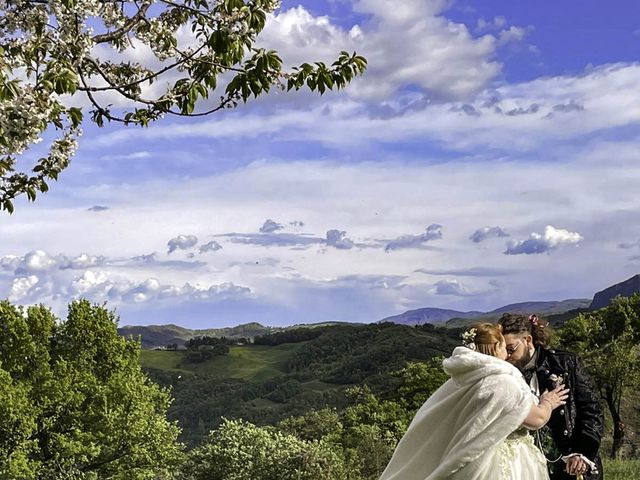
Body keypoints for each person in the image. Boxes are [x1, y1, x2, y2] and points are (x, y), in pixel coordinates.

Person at [379, 323, 568, 480]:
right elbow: (536, 420)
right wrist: (548, 402)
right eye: (504, 347)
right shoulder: (503, 382)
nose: (508, 355)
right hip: (501, 462)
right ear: (495, 348)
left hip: (469, 461)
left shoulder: (464, 378)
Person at [498, 313, 604, 480]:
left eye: (511, 349)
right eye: (504, 351)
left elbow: (592, 411)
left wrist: (582, 452)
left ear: (527, 340)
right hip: (527, 465)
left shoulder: (566, 363)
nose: (507, 356)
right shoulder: (503, 374)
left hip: (571, 460)